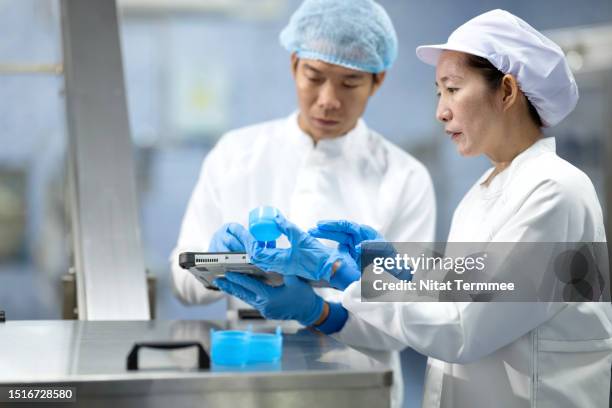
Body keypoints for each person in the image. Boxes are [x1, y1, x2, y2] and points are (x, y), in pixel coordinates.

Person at [214, 9, 612, 408]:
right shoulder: (486, 190)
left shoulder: (556, 192)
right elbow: (456, 300)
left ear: (507, 91)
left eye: (453, 89)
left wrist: (338, 272)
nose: (441, 110)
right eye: (438, 93)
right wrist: (375, 279)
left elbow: (461, 329)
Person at [170, 1, 436, 407]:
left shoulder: (405, 177)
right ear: (294, 64)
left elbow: (404, 321)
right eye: (314, 76)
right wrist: (210, 265)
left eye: (350, 82)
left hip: (356, 385)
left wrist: (318, 311)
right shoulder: (235, 154)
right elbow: (183, 286)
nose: (328, 100)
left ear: (378, 80)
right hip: (247, 375)